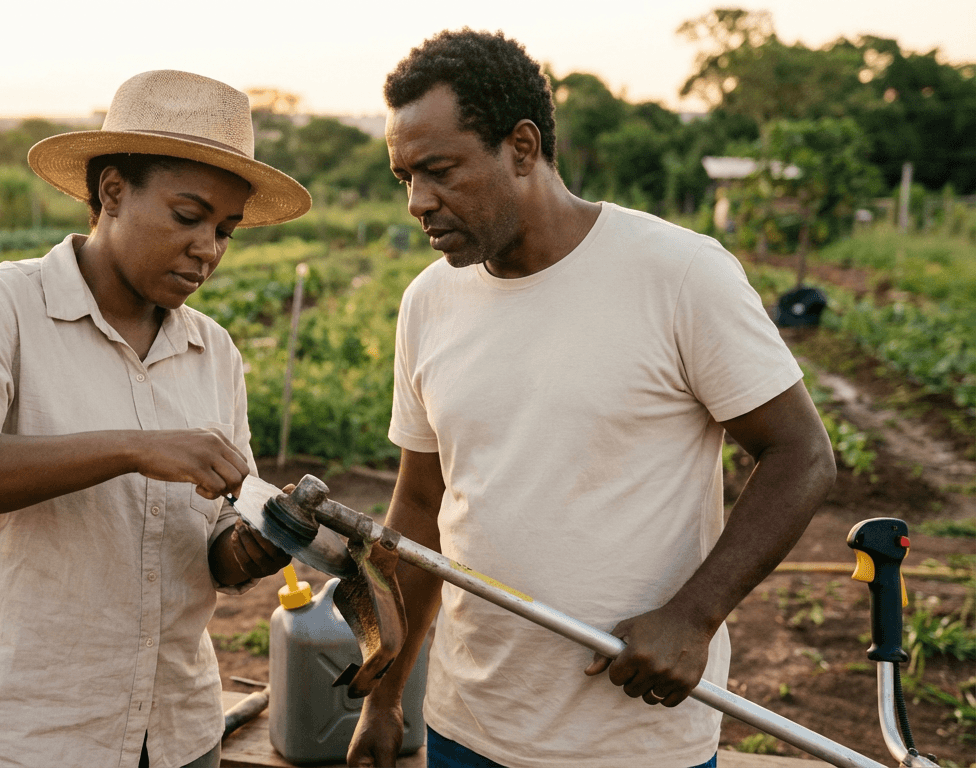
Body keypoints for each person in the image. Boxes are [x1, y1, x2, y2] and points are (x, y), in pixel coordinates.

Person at [347, 30, 836, 768]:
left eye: (439, 170)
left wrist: (693, 618)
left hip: (632, 740)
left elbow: (801, 454)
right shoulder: (428, 302)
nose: (418, 201)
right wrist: (386, 697)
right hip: (467, 726)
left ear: (521, 146)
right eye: (403, 177)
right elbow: (419, 511)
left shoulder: (678, 274)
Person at [0, 70, 311, 768]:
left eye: (225, 230)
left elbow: (213, 544)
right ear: (113, 191)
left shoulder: (213, 351)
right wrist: (134, 448)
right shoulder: (2, 306)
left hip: (178, 732)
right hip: (29, 734)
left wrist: (258, 545)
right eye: (188, 216)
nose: (208, 248)